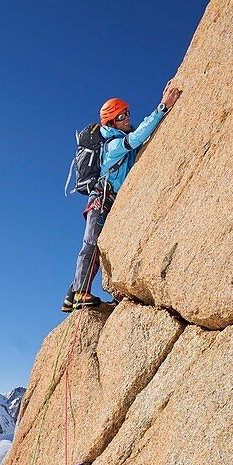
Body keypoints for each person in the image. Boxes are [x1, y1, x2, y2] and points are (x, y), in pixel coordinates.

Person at [63, 82, 181, 311]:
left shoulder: (119, 138)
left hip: (110, 200)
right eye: (121, 116)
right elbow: (136, 139)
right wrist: (162, 108)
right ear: (111, 122)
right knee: (91, 243)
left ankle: (72, 295)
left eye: (127, 113)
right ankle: (79, 293)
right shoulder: (113, 145)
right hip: (101, 199)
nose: (126, 118)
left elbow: (140, 135)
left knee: (96, 243)